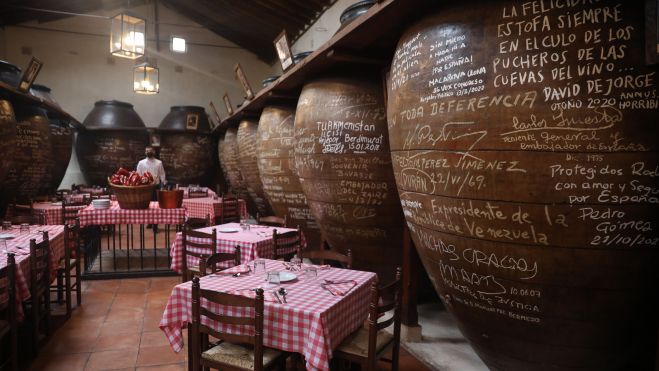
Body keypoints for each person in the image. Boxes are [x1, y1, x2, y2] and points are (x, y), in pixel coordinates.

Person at [137, 146, 166, 230]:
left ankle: (155, 225)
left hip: (155, 186)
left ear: (154, 152)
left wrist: (163, 184)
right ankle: (150, 222)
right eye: (147, 151)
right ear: (145, 152)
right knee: (147, 205)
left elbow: (162, 174)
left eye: (150, 151)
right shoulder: (141, 163)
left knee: (156, 206)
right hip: (144, 187)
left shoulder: (159, 163)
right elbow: (138, 174)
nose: (148, 152)